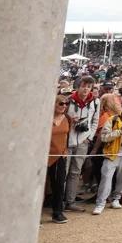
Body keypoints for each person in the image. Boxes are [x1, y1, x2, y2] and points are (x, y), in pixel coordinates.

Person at [63, 76, 99, 213]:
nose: (86, 89)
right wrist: (69, 119)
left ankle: (70, 201)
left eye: (89, 86)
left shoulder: (95, 102)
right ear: (78, 86)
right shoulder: (68, 100)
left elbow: (94, 121)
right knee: (64, 172)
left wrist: (89, 137)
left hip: (83, 141)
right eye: (84, 85)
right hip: (68, 140)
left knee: (75, 171)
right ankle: (59, 200)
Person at [47, 95, 72, 223]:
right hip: (43, 155)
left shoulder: (67, 118)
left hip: (59, 156)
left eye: (66, 104)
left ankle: (57, 212)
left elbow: (67, 135)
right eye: (61, 103)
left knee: (59, 184)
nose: (64, 106)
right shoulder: (44, 117)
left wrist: (65, 150)